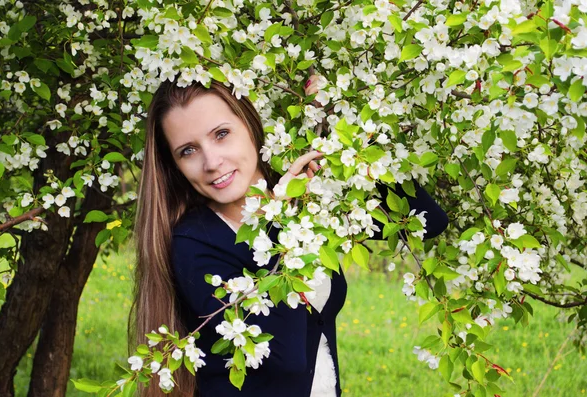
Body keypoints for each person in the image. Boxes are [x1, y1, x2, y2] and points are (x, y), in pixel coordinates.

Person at [131, 78, 448, 397]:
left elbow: (425, 222)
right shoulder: (194, 241)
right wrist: (285, 223)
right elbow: (287, 356)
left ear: (250, 123)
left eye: (221, 134)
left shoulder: (310, 198)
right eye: (188, 150)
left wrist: (348, 133)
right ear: (176, 165)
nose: (212, 163)